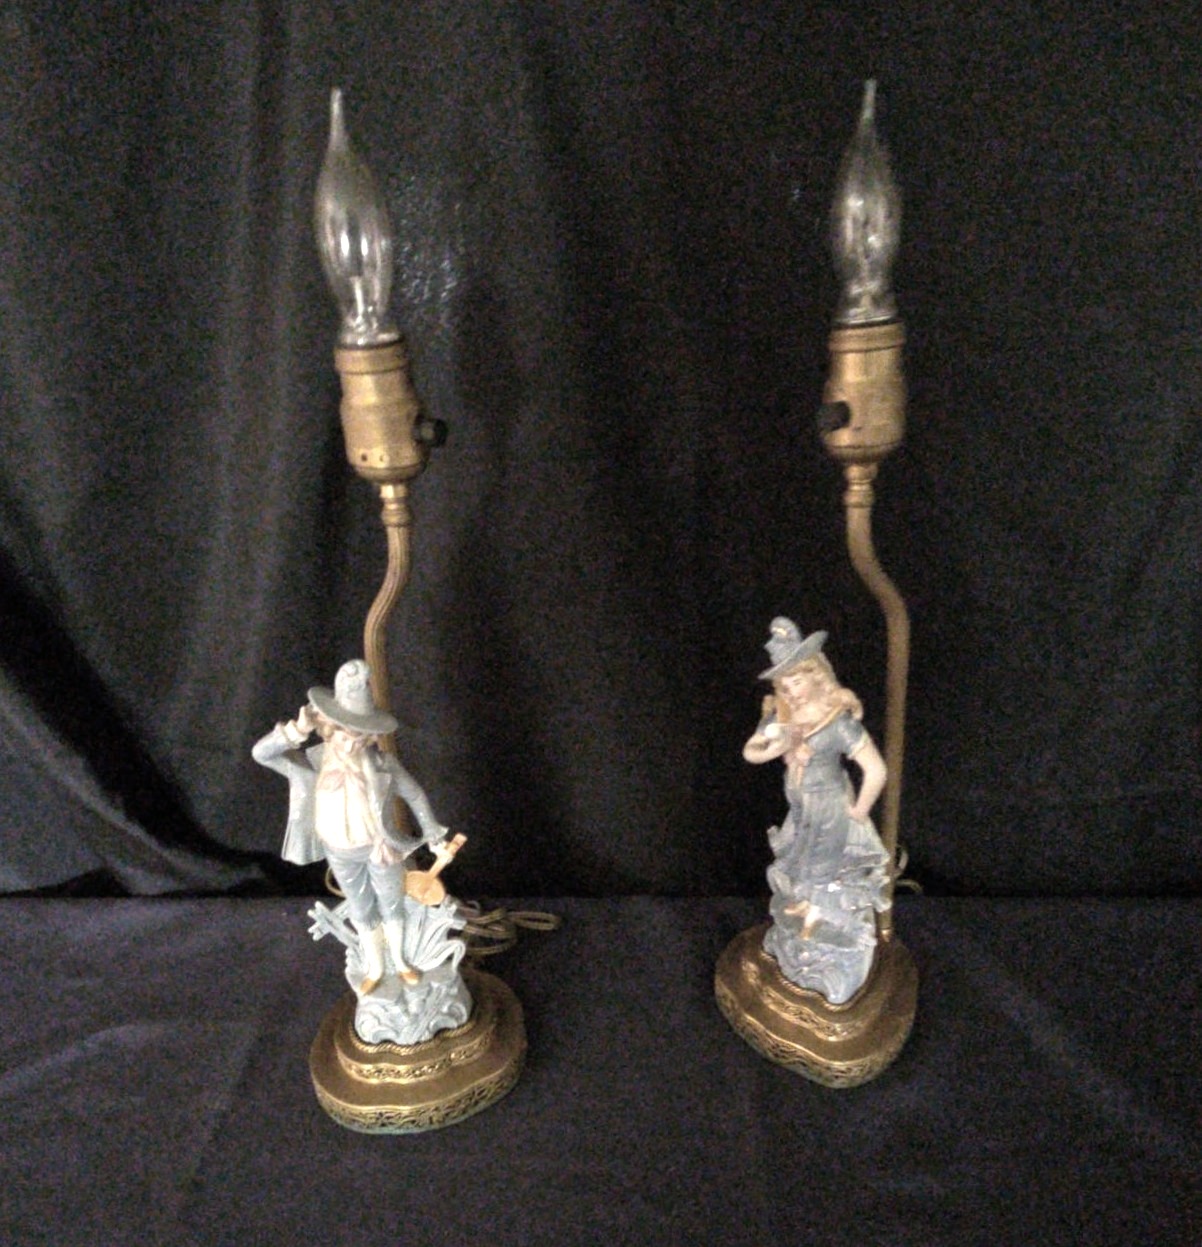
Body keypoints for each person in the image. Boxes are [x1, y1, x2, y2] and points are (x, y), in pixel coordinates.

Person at [253, 659, 451, 994]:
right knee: (361, 907)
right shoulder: (312, 764)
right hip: (339, 851)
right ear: (328, 728)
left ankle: (400, 961)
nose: (353, 743)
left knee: (391, 903)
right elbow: (262, 754)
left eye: (361, 736)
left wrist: (432, 833)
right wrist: (295, 731)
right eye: (346, 733)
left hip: (379, 848)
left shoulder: (384, 765)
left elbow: (414, 794)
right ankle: (375, 966)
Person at [743, 619, 891, 1004]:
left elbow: (876, 770)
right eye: (785, 684)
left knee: (822, 873)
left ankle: (822, 931)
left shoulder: (835, 720)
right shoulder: (783, 715)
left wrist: (859, 810)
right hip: (800, 809)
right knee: (799, 866)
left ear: (816, 675)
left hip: (828, 811)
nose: (791, 691)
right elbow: (751, 753)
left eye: (797, 681)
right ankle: (805, 923)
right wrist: (778, 745)